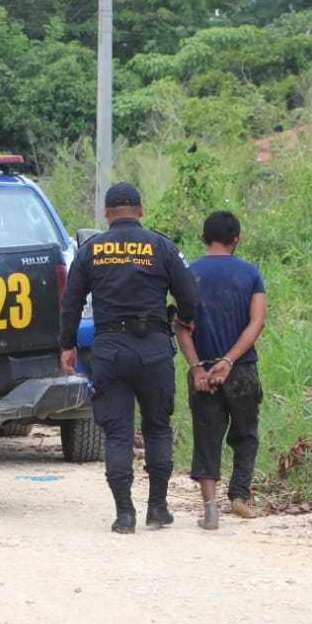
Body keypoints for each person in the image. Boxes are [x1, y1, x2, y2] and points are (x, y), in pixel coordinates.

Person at [60, 182, 200, 534]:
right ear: (141, 210)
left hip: (111, 348)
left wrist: (67, 345)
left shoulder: (90, 251)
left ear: (106, 214)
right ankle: (157, 508)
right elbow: (189, 295)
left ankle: (124, 514)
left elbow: (71, 302)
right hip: (153, 347)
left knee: (118, 433)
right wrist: (184, 315)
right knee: (157, 427)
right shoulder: (162, 245)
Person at [173, 211, 267, 531]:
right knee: (245, 434)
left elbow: (181, 327)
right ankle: (240, 494)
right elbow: (257, 322)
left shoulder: (188, 275)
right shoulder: (251, 273)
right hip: (241, 369)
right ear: (236, 240)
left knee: (206, 434)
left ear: (203, 238)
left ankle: (210, 508)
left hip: (202, 369)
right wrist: (229, 361)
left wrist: (198, 367)